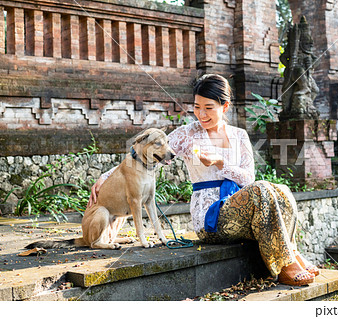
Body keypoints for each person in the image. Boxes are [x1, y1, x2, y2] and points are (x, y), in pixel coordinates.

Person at [88, 74, 319, 286]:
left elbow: (249, 179)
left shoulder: (240, 136)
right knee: (262, 190)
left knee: (281, 190)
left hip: (239, 207)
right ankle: (287, 264)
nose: (202, 114)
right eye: (197, 107)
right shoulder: (187, 134)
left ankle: (291, 253)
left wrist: (221, 163)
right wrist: (105, 177)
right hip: (209, 217)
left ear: (225, 107)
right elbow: (145, 151)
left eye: (209, 107)